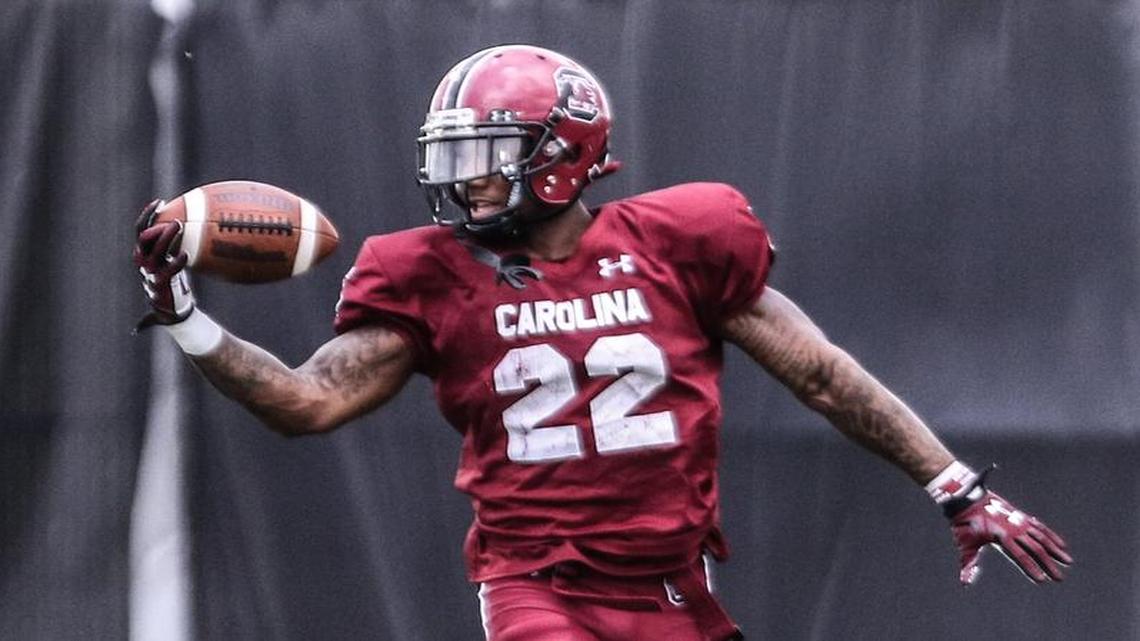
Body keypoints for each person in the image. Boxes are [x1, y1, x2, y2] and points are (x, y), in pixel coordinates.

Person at [133, 44, 1072, 641]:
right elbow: (307, 401)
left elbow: (824, 377)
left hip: (671, 590)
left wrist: (956, 485)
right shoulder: (429, 272)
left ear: (560, 157)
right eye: (451, 158)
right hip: (538, 586)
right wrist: (186, 317)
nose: (463, 186)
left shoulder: (679, 243)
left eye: (485, 160)